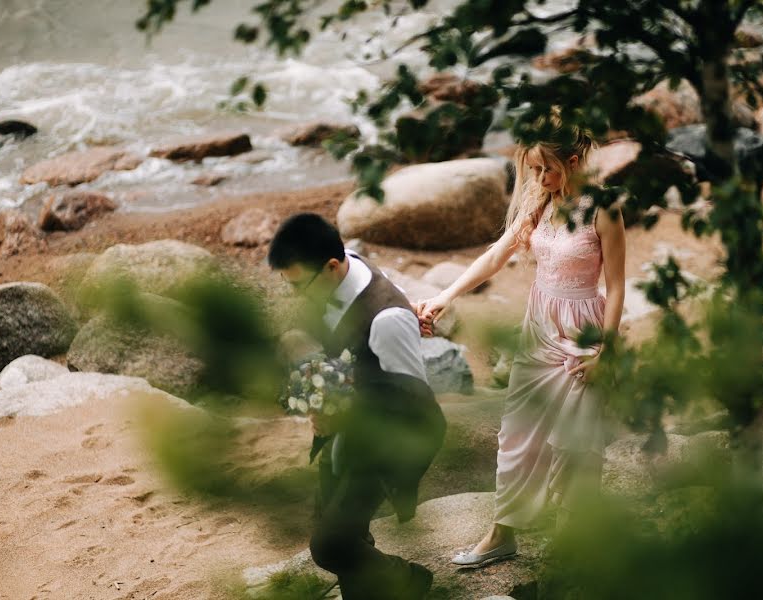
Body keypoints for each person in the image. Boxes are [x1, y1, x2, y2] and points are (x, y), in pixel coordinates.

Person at [417, 121, 626, 567]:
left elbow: (618, 284)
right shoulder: (540, 202)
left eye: (544, 169)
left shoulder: (601, 209)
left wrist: (606, 353)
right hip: (539, 330)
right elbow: (495, 255)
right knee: (516, 435)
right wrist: (443, 297)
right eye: (531, 169)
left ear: (572, 162)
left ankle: (579, 537)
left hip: (583, 332)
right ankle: (501, 534)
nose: (537, 178)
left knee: (578, 443)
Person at [268, 213, 446, 599]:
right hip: (347, 429)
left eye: (299, 286)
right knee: (338, 527)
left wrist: (340, 407)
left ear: (332, 268)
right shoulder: (342, 263)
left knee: (329, 545)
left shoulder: (386, 319)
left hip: (394, 435)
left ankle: (412, 581)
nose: (296, 296)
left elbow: (410, 398)